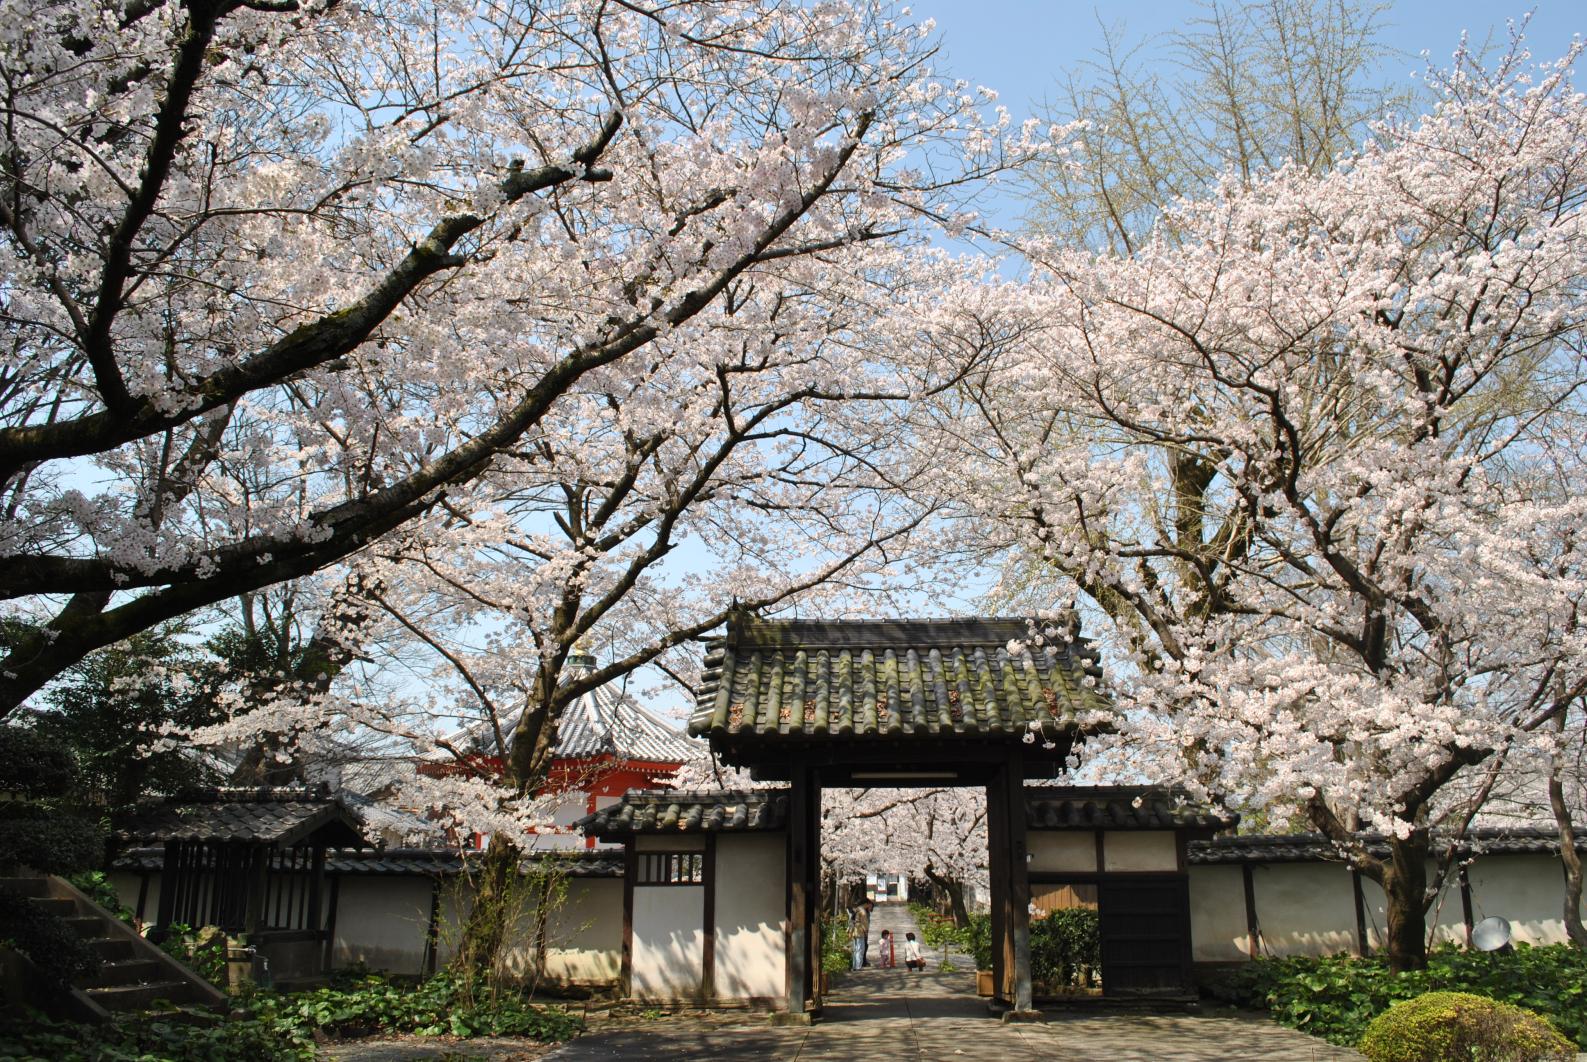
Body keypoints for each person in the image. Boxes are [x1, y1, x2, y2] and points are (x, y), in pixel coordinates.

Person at [849, 900, 871, 971]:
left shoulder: (857, 909)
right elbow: (865, 923)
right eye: (869, 905)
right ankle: (858, 966)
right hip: (860, 931)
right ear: (866, 904)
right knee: (860, 949)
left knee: (855, 949)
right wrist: (866, 931)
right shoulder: (863, 911)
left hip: (854, 930)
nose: (869, 907)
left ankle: (854, 966)